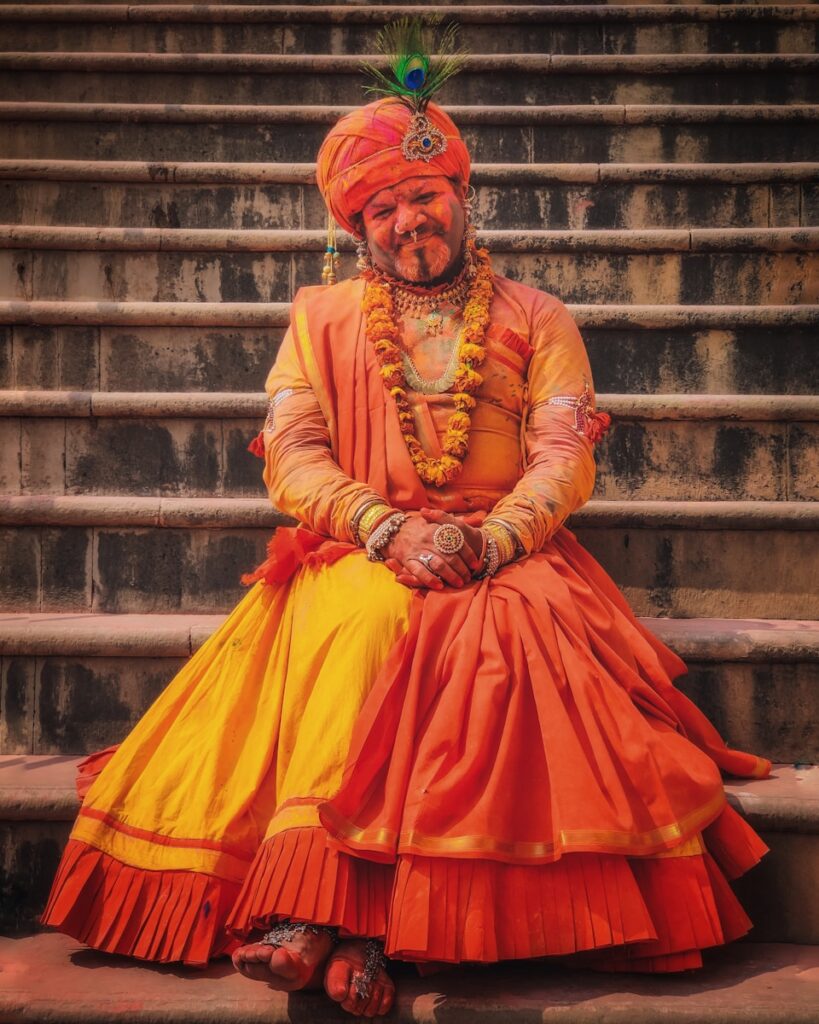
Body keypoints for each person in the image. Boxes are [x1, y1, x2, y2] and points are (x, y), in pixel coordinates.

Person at [42, 52, 771, 1022]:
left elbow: (564, 456)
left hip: (505, 551)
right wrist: (384, 528)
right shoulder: (322, 318)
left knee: (489, 651)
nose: (406, 221)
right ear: (356, 230)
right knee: (360, 629)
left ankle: (362, 930)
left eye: (422, 196)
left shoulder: (539, 316)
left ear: (461, 195)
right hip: (363, 543)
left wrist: (496, 539)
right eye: (380, 210)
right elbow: (293, 457)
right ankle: (320, 918)